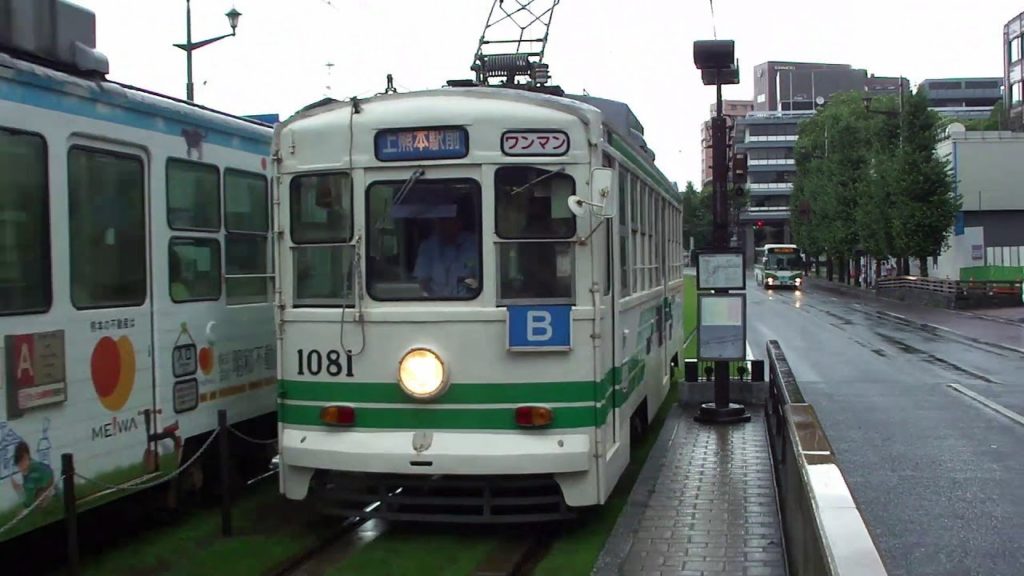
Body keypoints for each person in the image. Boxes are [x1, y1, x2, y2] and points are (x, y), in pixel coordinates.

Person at [413, 208, 479, 298]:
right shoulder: (428, 246)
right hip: (437, 302)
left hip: (469, 301)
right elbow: (423, 281)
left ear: (459, 222)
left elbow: (483, 280)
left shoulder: (475, 244)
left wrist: (471, 283)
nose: (445, 225)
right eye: (442, 220)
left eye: (450, 220)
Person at [11, 441, 54, 509]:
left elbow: (49, 478)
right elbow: (28, 495)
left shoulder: (37, 469)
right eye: (19, 465)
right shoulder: (25, 473)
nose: (21, 467)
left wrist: (45, 490)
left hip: (44, 498)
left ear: (26, 457)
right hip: (33, 501)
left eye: (22, 462)